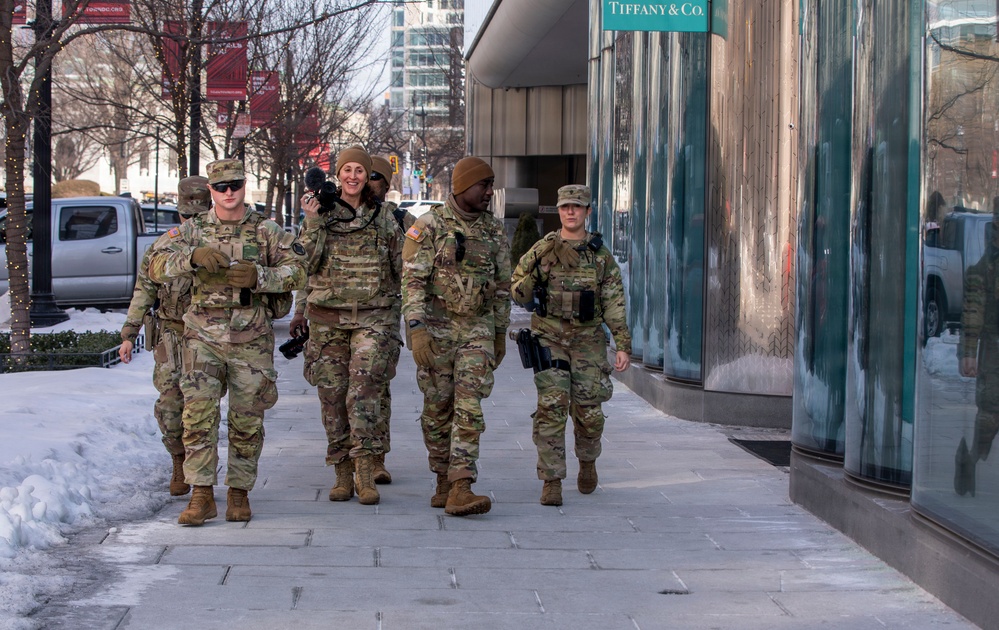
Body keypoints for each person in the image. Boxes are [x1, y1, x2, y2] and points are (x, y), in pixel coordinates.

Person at [148, 158, 306, 526]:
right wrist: (191, 257)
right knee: (198, 416)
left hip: (250, 338)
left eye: (235, 184)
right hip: (202, 337)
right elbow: (155, 265)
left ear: (244, 185)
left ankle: (239, 492)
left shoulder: (267, 231)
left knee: (246, 419)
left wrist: (260, 276)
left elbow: (298, 269)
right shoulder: (194, 230)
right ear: (212, 192)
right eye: (221, 187)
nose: (229, 192)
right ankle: (201, 494)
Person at [291, 146, 403, 506]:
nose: (353, 176)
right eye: (347, 170)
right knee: (332, 397)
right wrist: (312, 223)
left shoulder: (385, 217)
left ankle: (366, 469)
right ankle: (341, 471)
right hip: (328, 320)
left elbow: (403, 268)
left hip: (373, 317)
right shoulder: (321, 213)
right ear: (338, 175)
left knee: (364, 392)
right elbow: (304, 263)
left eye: (360, 170)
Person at [402, 156, 511, 516]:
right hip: (436, 329)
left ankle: (462, 483)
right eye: (484, 185)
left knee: (469, 404)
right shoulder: (429, 226)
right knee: (437, 407)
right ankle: (443, 478)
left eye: (491, 185)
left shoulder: (494, 230)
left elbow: (502, 286)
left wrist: (499, 332)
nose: (490, 192)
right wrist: (416, 330)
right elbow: (412, 282)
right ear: (463, 186)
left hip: (476, 329)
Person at [510, 184, 631, 506]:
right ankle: (551, 480)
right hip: (550, 337)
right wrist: (534, 277)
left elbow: (614, 301)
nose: (571, 212)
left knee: (589, 413)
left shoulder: (600, 256)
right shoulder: (543, 249)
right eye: (565, 207)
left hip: (588, 340)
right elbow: (517, 290)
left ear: (587, 211)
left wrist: (622, 343)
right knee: (551, 407)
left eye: (577, 207)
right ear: (559, 211)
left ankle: (588, 461)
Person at [119, 176, 211, 497]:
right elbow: (143, 292)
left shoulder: (218, 245)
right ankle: (178, 458)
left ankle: (198, 473)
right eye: (188, 216)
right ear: (180, 214)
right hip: (170, 336)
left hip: (207, 337)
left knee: (200, 406)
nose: (192, 222)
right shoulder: (162, 247)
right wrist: (129, 333)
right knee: (171, 405)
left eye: (199, 215)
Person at [955, 202, 999, 496]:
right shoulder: (984, 268)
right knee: (989, 414)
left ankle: (969, 464)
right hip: (993, 349)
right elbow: (974, 309)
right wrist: (968, 350)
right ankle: (968, 465)